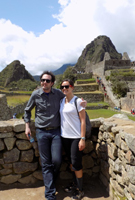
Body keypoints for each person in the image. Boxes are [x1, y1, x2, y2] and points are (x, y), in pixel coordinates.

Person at [24, 71, 86, 200]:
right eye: (42, 80)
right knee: (46, 163)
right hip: (41, 132)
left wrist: (82, 103)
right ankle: (50, 194)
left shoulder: (58, 93)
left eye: (47, 81)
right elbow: (27, 110)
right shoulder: (36, 94)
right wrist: (27, 126)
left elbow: (70, 96)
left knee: (57, 160)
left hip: (56, 132)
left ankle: (52, 181)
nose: (44, 83)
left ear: (52, 83)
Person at [60, 79, 86, 200]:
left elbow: (83, 121)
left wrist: (82, 138)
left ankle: (80, 189)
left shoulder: (78, 101)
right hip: (65, 137)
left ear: (72, 87)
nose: (64, 88)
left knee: (76, 163)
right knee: (71, 162)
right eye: (62, 87)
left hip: (76, 137)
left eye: (67, 86)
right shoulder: (61, 101)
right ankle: (75, 184)